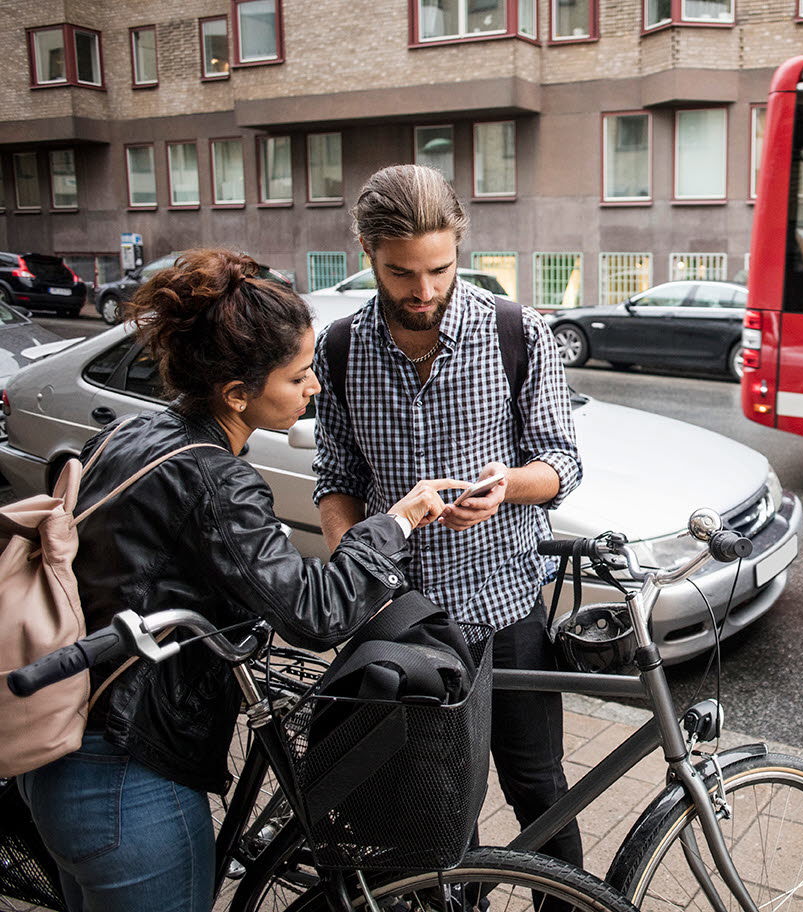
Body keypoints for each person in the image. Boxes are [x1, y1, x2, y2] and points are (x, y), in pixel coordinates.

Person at [15, 249, 459, 912]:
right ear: (236, 393)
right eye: (299, 375)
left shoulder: (138, 433)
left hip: (68, 751)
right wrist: (396, 522)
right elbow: (314, 613)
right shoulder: (213, 479)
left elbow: (159, 575)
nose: (313, 388)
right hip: (127, 783)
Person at [312, 165, 584, 876]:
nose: (424, 291)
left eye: (439, 268)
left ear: (459, 249)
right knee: (429, 814)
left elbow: (562, 463)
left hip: (507, 609)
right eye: (402, 272)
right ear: (367, 251)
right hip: (402, 627)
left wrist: (507, 486)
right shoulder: (338, 349)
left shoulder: (519, 332)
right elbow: (337, 479)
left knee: (541, 793)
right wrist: (353, 571)